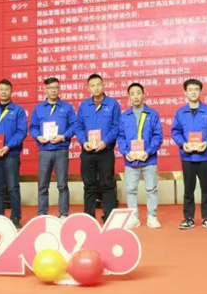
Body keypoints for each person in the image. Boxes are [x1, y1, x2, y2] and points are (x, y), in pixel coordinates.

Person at [171, 78, 207, 230]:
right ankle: (188, 218)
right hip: (187, 156)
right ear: (185, 93)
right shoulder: (180, 112)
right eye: (190, 90)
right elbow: (175, 131)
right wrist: (182, 143)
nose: (193, 92)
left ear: (201, 92)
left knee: (206, 188)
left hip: (205, 155)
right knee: (188, 188)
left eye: (196, 89)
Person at [117, 82, 164, 229]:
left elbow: (158, 136)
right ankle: (133, 218)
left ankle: (152, 217)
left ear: (144, 94)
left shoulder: (152, 114)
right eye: (132, 94)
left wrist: (147, 152)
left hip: (149, 159)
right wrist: (126, 153)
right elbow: (121, 137)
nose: (136, 96)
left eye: (138, 93)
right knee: (130, 190)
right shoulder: (124, 116)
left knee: (151, 189)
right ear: (129, 97)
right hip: (131, 161)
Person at [75, 74, 121, 223]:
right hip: (88, 152)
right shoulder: (84, 106)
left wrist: (106, 141)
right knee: (89, 186)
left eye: (98, 84)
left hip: (105, 152)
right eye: (92, 85)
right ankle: (89, 218)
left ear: (103, 85)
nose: (96, 88)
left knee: (107, 185)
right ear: (88, 88)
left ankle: (108, 217)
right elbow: (78, 126)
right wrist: (83, 142)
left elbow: (117, 126)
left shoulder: (113, 104)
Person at [0, 79, 27, 228]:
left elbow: (21, 132)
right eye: (1, 89)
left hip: (11, 154)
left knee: (13, 187)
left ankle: (15, 217)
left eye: (6, 89)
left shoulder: (18, 110)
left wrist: (8, 146)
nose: (3, 92)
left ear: (11, 92)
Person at [29, 77, 76, 220]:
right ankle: (42, 213)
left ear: (59, 89)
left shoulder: (67, 107)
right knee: (43, 185)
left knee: (62, 184)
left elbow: (74, 126)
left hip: (61, 150)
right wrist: (38, 137)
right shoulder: (38, 108)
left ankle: (64, 214)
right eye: (50, 88)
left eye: (55, 87)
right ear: (45, 89)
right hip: (44, 150)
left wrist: (63, 136)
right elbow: (33, 127)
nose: (53, 90)